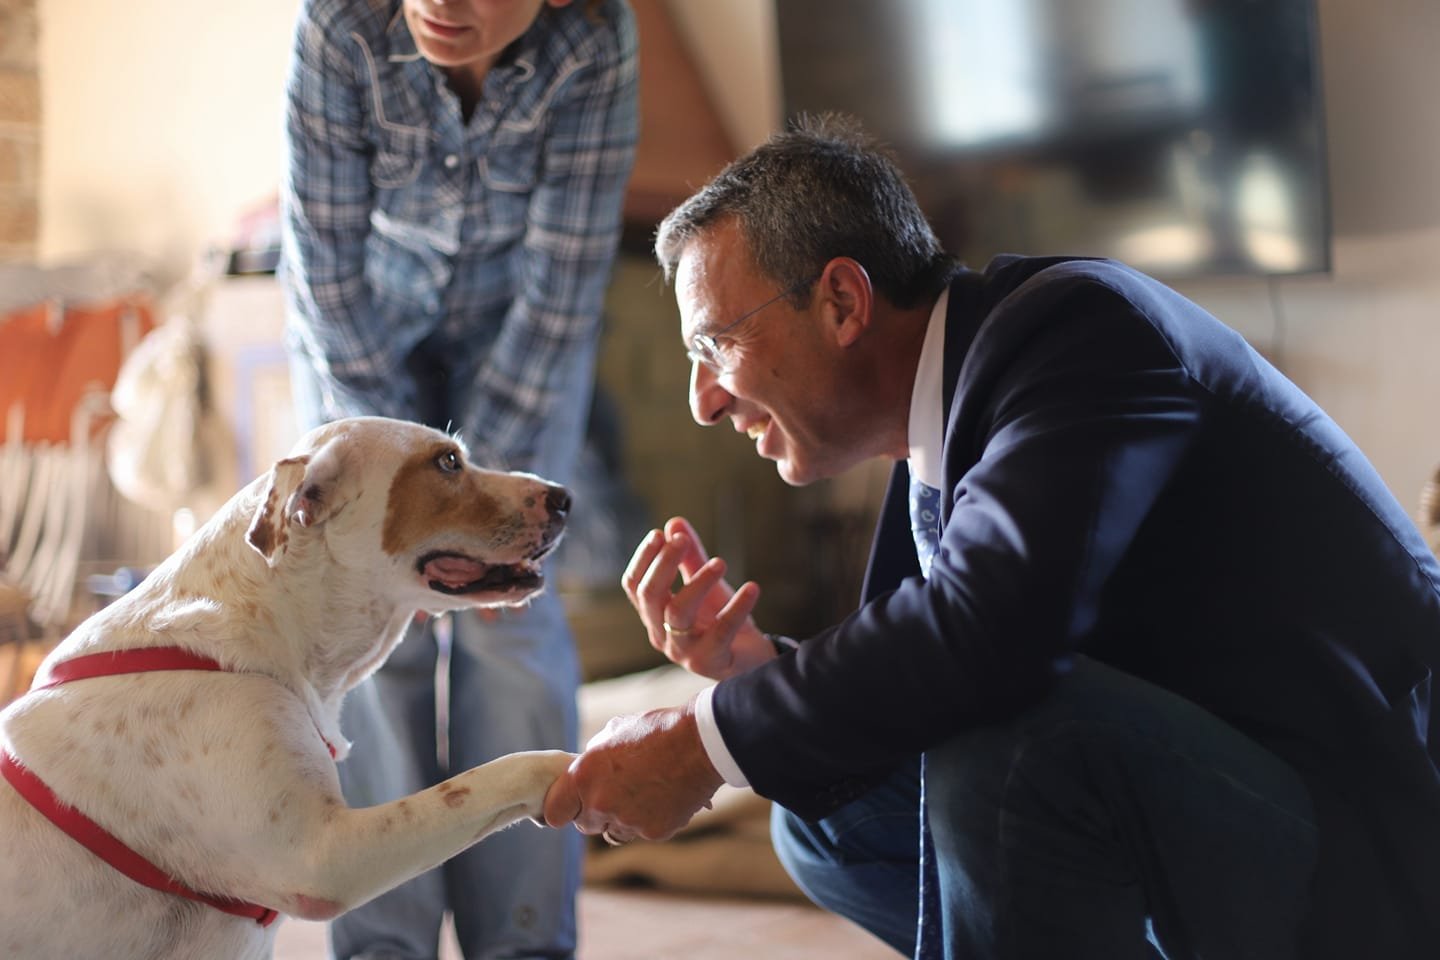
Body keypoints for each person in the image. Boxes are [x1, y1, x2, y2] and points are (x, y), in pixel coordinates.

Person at [543, 114, 1440, 960]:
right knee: (823, 815)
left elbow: (992, 634)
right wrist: (758, 671)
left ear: (843, 301)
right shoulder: (946, 419)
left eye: (715, 346)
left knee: (1011, 737)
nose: (703, 401)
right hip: (1221, 801)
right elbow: (947, 656)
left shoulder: (1082, 330)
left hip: (1359, 833)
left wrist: (701, 739)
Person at [279, 0, 638, 956]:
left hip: (521, 347)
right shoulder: (339, 26)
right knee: (372, 623)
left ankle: (523, 940)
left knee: (509, 625)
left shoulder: (594, 42)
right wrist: (391, 471)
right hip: (359, 348)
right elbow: (324, 268)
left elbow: (563, 287)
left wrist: (486, 499)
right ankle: (383, 942)